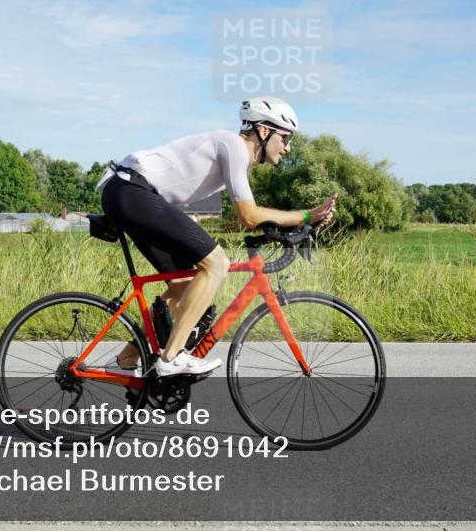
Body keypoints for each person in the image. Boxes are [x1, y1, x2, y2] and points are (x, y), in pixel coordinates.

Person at [97, 96, 337, 377]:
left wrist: (293, 226)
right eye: (285, 137)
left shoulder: (235, 157)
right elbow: (248, 216)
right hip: (132, 192)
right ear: (263, 131)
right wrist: (306, 216)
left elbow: (252, 217)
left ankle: (125, 360)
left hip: (130, 194)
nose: (288, 147)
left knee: (184, 285)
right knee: (216, 263)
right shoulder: (232, 145)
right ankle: (171, 357)